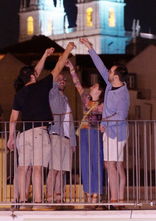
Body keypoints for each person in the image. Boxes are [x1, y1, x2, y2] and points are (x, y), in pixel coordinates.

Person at [7, 42, 75, 206]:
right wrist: (68, 50)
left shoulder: (19, 94)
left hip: (23, 135)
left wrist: (11, 137)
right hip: (39, 133)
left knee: (23, 168)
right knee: (37, 167)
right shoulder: (42, 86)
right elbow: (59, 66)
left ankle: (23, 200)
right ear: (32, 76)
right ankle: (38, 201)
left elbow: (13, 119)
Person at [80, 38, 130, 205]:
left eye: (110, 71)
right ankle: (119, 198)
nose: (107, 72)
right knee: (117, 165)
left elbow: (121, 115)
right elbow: (100, 66)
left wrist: (104, 121)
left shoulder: (122, 94)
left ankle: (115, 199)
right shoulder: (110, 85)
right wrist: (90, 48)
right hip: (113, 130)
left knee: (110, 165)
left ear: (116, 76)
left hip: (115, 132)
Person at [65, 59, 105, 207]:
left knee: (97, 162)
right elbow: (77, 85)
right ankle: (88, 193)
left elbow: (109, 116)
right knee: (85, 163)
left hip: (95, 133)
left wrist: (104, 126)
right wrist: (71, 68)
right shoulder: (86, 99)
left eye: (94, 86)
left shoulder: (103, 104)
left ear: (99, 91)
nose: (91, 86)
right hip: (83, 133)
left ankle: (96, 194)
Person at [45, 73, 76, 204]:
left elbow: (70, 121)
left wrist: (73, 142)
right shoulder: (53, 95)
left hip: (66, 137)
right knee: (54, 169)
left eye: (64, 79)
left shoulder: (66, 99)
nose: (62, 81)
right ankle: (49, 198)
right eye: (59, 79)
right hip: (55, 134)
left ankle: (59, 198)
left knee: (62, 170)